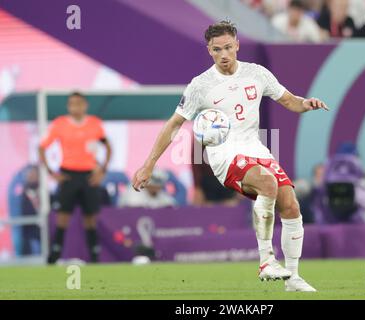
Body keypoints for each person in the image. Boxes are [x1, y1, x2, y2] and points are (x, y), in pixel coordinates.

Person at [132, 20, 329, 292]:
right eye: (216, 50)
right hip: (225, 155)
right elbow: (174, 124)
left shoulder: (257, 74)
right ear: (209, 50)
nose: (223, 55)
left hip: (256, 149)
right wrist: (148, 164)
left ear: (237, 45)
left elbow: (289, 100)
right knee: (268, 183)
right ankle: (266, 261)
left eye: (227, 47)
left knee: (291, 205)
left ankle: (293, 278)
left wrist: (306, 104)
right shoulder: (200, 85)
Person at [39, 92, 112, 264]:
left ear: (85, 105)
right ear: (68, 106)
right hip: (68, 175)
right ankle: (54, 256)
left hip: (89, 176)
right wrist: (51, 172)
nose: (76, 107)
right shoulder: (60, 124)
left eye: (79, 103)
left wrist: (102, 171)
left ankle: (94, 256)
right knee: (63, 217)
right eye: (72, 104)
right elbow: (42, 147)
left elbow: (108, 147)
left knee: (90, 218)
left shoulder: (94, 124)